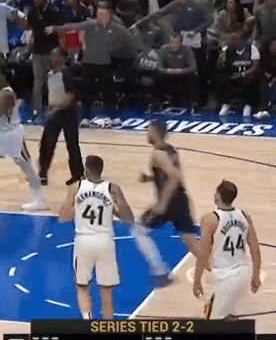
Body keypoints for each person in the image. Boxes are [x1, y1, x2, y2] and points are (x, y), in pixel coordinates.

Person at [59, 155, 134, 319]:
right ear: (101, 170)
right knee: (106, 290)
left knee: (81, 286)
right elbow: (128, 218)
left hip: (83, 241)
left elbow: (62, 217)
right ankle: (107, 326)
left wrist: (78, 208)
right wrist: (114, 208)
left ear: (86, 169)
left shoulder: (76, 186)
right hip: (104, 241)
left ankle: (87, 321)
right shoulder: (112, 188)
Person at [133, 120, 202, 286]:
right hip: (180, 200)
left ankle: (160, 271)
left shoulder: (157, 154)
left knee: (138, 229)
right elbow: (171, 174)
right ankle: (221, 269)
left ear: (155, 132)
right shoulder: (170, 150)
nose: (147, 134)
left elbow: (175, 176)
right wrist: (150, 178)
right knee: (191, 242)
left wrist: (163, 202)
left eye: (148, 131)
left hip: (169, 202)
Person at [193, 180, 261, 320]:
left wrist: (197, 280)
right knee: (231, 318)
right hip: (243, 275)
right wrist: (256, 276)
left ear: (218, 196)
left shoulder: (210, 219)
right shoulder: (244, 216)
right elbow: (255, 250)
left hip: (224, 277)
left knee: (212, 321)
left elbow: (203, 253)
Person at [0, 71, 47, 210]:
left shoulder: (7, 94)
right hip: (0, 134)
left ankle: (39, 200)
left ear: (3, 77)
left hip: (13, 135)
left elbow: (0, 113)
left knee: (26, 167)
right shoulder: (1, 92)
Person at [38, 48, 84, 186]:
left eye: (54, 55)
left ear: (61, 58)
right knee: (46, 145)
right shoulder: (49, 74)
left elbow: (70, 96)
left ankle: (77, 175)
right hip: (54, 112)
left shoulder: (66, 74)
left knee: (72, 145)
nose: (51, 58)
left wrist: (56, 109)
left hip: (68, 113)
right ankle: (42, 174)